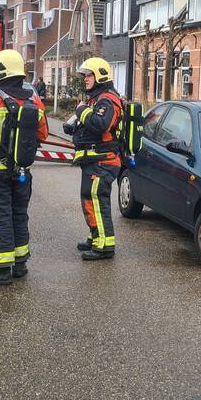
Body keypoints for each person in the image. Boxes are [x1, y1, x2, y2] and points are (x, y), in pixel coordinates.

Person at [0, 49, 48, 285]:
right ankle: (20, 263)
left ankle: (2, 269)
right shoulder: (34, 100)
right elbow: (42, 133)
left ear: (0, 71)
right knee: (19, 214)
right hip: (22, 171)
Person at [63, 57, 123, 260]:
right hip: (93, 160)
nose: (86, 79)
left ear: (100, 76)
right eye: (85, 76)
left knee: (97, 201)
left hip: (103, 161)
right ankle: (96, 236)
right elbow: (90, 125)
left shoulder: (107, 99)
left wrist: (81, 111)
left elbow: (101, 124)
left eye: (89, 75)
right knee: (89, 198)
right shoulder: (96, 98)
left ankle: (104, 246)